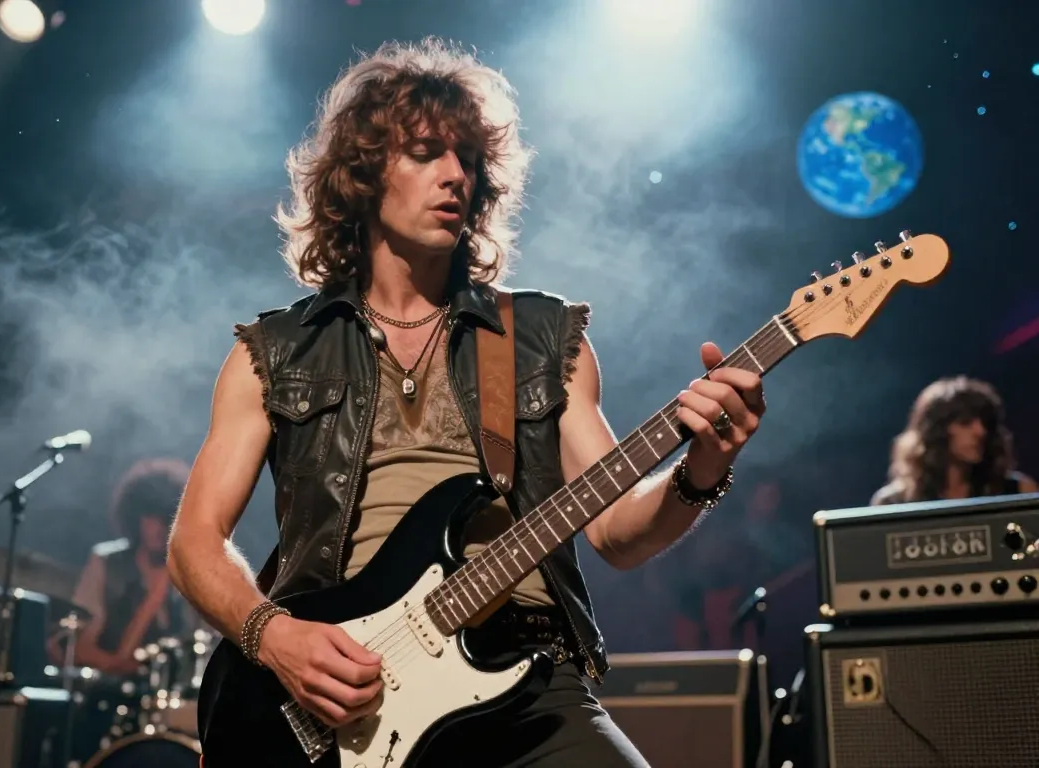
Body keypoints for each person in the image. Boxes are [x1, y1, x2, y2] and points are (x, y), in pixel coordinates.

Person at [166, 38, 766, 766]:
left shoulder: (541, 337)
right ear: (362, 175)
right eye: (425, 153)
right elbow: (194, 543)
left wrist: (700, 472)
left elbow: (616, 533)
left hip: (527, 684)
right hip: (344, 692)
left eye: (470, 160)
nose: (455, 175)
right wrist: (275, 637)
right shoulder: (275, 352)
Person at [52, 458, 195, 675]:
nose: (156, 528)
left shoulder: (187, 573)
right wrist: (118, 665)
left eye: (164, 518)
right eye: (149, 516)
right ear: (134, 516)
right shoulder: (107, 563)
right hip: (108, 687)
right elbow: (79, 648)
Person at [872, 375, 1037, 505]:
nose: (981, 431)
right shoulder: (893, 503)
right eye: (965, 422)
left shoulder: (1019, 492)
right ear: (936, 431)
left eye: (986, 423)